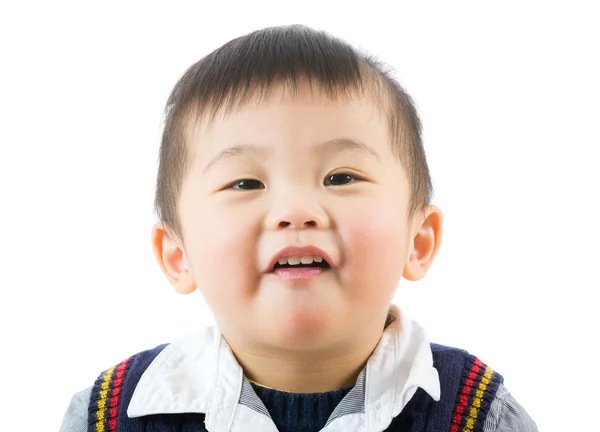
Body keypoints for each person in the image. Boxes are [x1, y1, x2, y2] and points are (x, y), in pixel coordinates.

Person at [60, 25, 537, 432]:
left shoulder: (478, 413)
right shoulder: (109, 415)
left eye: (341, 177)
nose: (295, 210)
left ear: (419, 240)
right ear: (177, 254)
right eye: (245, 182)